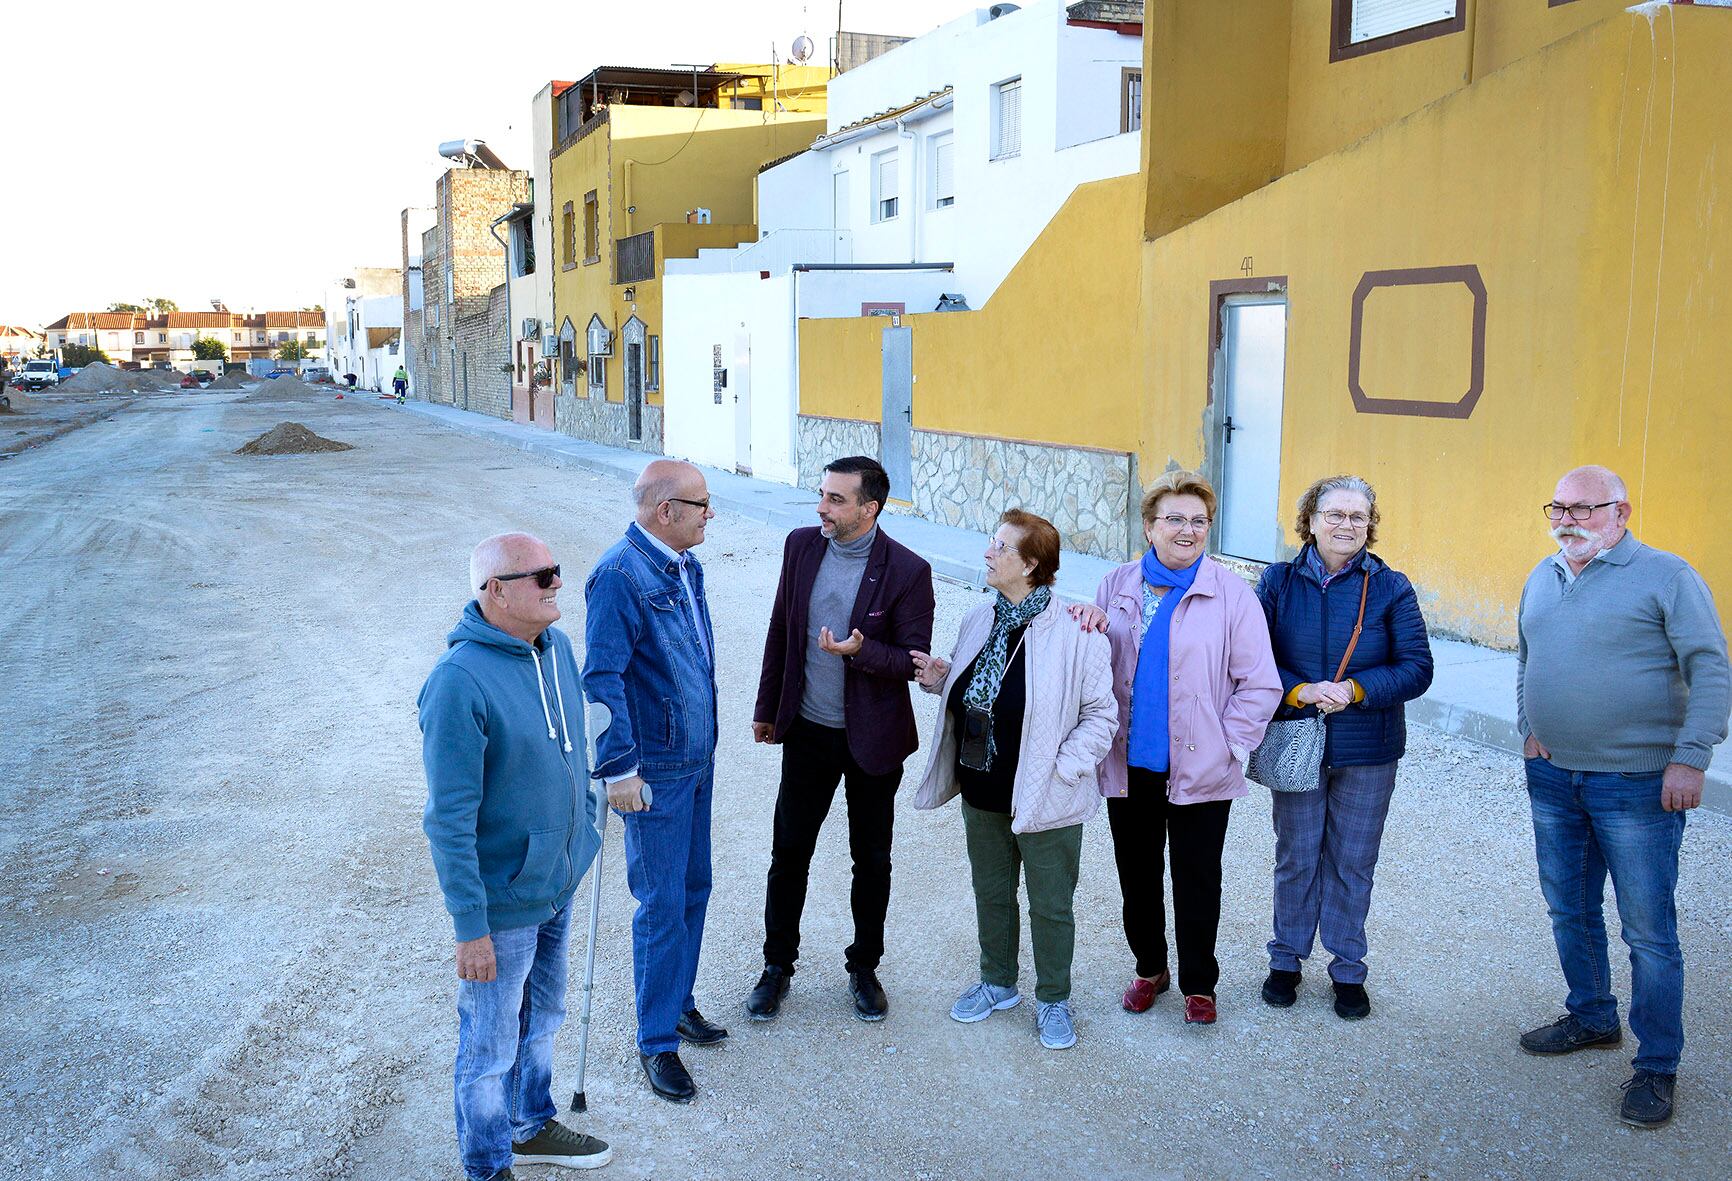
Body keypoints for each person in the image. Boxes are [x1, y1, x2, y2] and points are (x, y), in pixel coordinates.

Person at [1516, 464, 1729, 1128]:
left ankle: (1657, 1065)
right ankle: (1591, 1015)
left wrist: (1691, 757)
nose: (1569, 518)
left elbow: (1710, 665)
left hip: (1637, 784)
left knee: (1648, 932)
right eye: (1560, 506)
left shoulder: (1667, 575)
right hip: (1554, 778)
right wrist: (1529, 726)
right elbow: (1526, 654)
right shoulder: (1542, 575)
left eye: (1586, 507)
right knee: (1569, 909)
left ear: (1622, 512)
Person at [419, 532, 612, 1180]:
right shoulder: (456, 684)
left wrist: (580, 831)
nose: (558, 583)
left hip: (553, 885)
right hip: (502, 904)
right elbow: (448, 821)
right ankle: (487, 1164)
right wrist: (470, 927)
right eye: (542, 576)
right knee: (488, 1045)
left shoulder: (555, 647)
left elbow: (574, 748)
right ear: (495, 591)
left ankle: (531, 1125)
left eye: (556, 571)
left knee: (545, 1017)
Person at [1074, 470, 1280, 1026]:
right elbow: (1096, 668)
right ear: (1149, 525)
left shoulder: (1231, 592)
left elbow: (1260, 683)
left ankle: (1198, 982)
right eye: (1175, 519)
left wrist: (1231, 746)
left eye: (1198, 521)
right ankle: (1149, 968)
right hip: (1130, 760)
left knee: (1196, 875)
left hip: (1200, 763)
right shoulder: (1114, 586)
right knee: (1136, 873)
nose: (1187, 530)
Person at [909, 509, 1117, 1050]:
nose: (988, 552)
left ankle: (1053, 998)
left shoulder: (1078, 629)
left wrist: (1064, 767)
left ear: (1029, 564)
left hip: (1046, 792)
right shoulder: (979, 619)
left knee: (1051, 902)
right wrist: (941, 678)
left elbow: (1102, 716)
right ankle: (998, 982)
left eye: (999, 546)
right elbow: (978, 692)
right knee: (991, 892)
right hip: (981, 787)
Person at [747, 456, 935, 1023]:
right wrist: (767, 709)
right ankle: (777, 966)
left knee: (871, 860)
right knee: (790, 853)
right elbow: (782, 626)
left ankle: (864, 967)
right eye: (821, 495)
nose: (821, 508)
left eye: (835, 499)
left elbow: (911, 659)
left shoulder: (907, 569)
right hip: (806, 730)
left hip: (872, 740)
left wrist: (862, 653)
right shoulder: (801, 546)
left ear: (868, 509)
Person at [1253, 476, 1433, 1021]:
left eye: (1358, 517)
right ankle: (1286, 959)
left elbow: (1417, 668)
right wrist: (1300, 690)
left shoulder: (1392, 587)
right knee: (1295, 857)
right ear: (1310, 519)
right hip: (1296, 740)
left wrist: (1354, 691)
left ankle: (1348, 968)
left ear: (1370, 526)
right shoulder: (1278, 583)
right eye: (1334, 514)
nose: (1345, 525)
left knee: (1353, 862)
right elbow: (1250, 656)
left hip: (1368, 747)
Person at [583, 459, 723, 1104]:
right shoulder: (618, 576)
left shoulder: (681, 563)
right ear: (665, 511)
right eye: (700, 504)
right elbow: (602, 680)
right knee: (662, 903)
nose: (709, 513)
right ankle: (656, 1040)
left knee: (694, 888)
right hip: (656, 769)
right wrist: (618, 769)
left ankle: (677, 1001)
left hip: (697, 757)